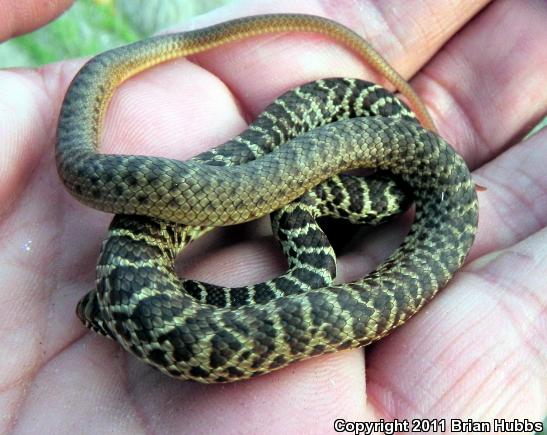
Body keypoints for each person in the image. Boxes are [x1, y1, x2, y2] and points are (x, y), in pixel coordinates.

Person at [1, 0, 545, 432]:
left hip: (372, 176)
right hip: (309, 183)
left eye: (111, 314)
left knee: (355, 203)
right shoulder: (274, 242)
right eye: (112, 314)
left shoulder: (362, 202)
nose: (108, 309)